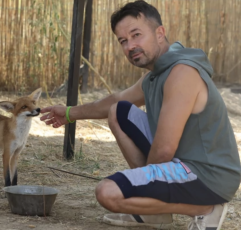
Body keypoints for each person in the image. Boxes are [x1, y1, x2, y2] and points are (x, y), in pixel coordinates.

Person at [39, 1, 241, 229]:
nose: (130, 46)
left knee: (108, 193)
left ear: (160, 33)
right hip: (183, 162)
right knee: (119, 111)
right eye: (123, 41)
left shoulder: (181, 73)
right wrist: (68, 113)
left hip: (208, 176)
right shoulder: (155, 75)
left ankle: (207, 209)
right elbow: (115, 101)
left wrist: (144, 184)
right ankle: (155, 214)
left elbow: (164, 149)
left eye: (136, 35)